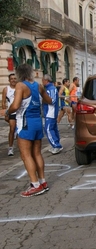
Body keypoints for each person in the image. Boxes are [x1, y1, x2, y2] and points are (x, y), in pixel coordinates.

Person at [5, 64, 52, 197]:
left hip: (25, 122)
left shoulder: (21, 86)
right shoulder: (38, 86)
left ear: (19, 73)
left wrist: (8, 112)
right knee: (37, 153)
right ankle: (43, 182)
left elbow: (15, 105)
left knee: (26, 155)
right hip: (37, 120)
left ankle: (35, 184)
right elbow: (48, 100)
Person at [42, 74, 63, 154]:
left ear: (46, 81)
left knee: (48, 129)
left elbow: (52, 101)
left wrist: (44, 100)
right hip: (51, 112)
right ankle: (57, 144)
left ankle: (56, 145)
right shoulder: (51, 88)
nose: (42, 82)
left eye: (43, 80)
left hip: (50, 112)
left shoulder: (50, 89)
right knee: (53, 128)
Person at [2, 73, 17, 156]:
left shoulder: (19, 88)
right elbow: (3, 101)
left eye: (15, 78)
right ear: (9, 80)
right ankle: (10, 148)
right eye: (12, 79)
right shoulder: (6, 89)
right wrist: (5, 112)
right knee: (12, 129)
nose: (13, 80)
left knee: (21, 130)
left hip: (20, 112)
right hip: (11, 112)